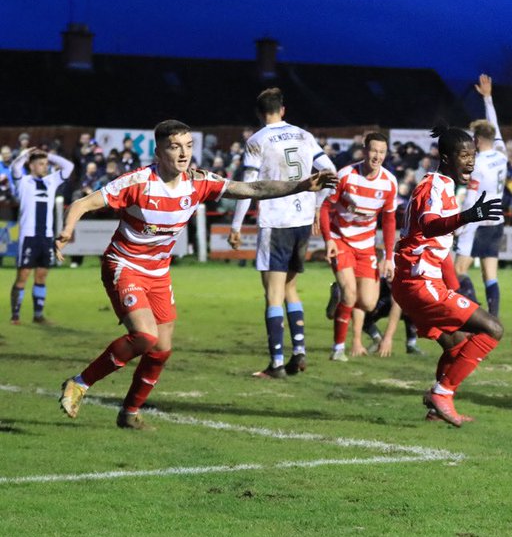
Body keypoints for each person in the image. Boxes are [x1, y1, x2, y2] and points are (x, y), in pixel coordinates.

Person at [56, 120, 334, 429]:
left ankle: (130, 413)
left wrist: (301, 185)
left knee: (162, 349)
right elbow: (83, 202)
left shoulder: (199, 182)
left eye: (188, 146)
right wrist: (67, 230)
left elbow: (251, 188)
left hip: (159, 272)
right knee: (145, 336)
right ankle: (79, 383)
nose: (184, 153)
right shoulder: (137, 182)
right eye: (175, 147)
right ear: (158, 151)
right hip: (125, 265)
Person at [392, 124, 506, 427]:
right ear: (446, 157)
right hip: (420, 283)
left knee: (457, 345)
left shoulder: (440, 184)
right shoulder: (434, 186)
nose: (470, 162)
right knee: (492, 329)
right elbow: (429, 225)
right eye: (464, 155)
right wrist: (467, 216)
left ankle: (437, 407)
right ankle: (441, 394)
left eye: (472, 155)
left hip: (416, 281)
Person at [229, 88, 337, 378]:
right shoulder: (304, 135)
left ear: (258, 113)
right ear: (283, 110)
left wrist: (236, 225)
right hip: (302, 222)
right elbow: (331, 173)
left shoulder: (257, 140)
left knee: (273, 294)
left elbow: (248, 185)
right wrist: (316, 206)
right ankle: (299, 350)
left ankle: (276, 363)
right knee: (290, 288)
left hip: (275, 222)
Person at [320, 132, 398, 361]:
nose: (377, 156)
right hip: (341, 240)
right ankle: (338, 349)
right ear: (364, 151)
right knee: (350, 294)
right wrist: (328, 240)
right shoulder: (346, 175)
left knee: (368, 302)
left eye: (382, 152)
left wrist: (389, 256)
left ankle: (338, 293)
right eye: (373, 151)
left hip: (366, 246)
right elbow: (325, 208)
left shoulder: (389, 182)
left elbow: (390, 220)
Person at [453, 74, 508, 317]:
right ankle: (493, 317)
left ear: (476, 140)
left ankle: (473, 313)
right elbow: (494, 127)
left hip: (476, 221)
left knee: (458, 272)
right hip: (496, 221)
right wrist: (488, 100)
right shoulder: (501, 153)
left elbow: (471, 198)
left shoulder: (478, 165)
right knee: (490, 274)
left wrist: (460, 222)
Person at [9, 146, 75, 324]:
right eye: (40, 164)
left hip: (46, 236)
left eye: (46, 164)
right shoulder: (23, 182)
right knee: (22, 276)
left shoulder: (50, 181)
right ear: (31, 166)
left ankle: (38, 315)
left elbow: (68, 166)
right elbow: (14, 168)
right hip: (29, 236)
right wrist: (25, 155)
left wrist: (50, 156)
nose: (44, 167)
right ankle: (15, 315)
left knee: (41, 275)